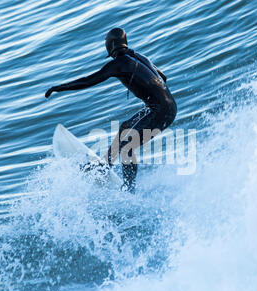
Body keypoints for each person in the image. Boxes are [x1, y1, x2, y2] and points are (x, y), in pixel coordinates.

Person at [45, 27, 177, 192]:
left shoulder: (119, 64)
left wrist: (58, 88)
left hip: (160, 111)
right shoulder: (140, 57)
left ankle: (129, 190)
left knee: (127, 145)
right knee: (124, 129)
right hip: (164, 106)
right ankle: (104, 166)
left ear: (110, 46)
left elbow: (88, 81)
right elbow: (163, 77)